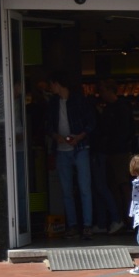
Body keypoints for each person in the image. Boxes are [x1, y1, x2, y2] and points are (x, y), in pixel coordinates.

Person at [47, 72, 97, 240]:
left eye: (52, 84)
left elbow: (91, 123)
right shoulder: (53, 103)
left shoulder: (78, 100)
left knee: (83, 188)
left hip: (80, 147)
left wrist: (79, 137)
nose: (50, 87)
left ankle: (86, 225)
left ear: (58, 84)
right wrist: (56, 137)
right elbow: (48, 126)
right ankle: (75, 225)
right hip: (64, 148)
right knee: (68, 190)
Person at [90, 79, 129, 235]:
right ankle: (122, 219)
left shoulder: (118, 108)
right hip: (113, 151)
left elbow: (118, 130)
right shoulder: (117, 107)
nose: (101, 94)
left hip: (118, 151)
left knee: (121, 185)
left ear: (109, 90)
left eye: (103, 91)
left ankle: (126, 220)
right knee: (114, 186)